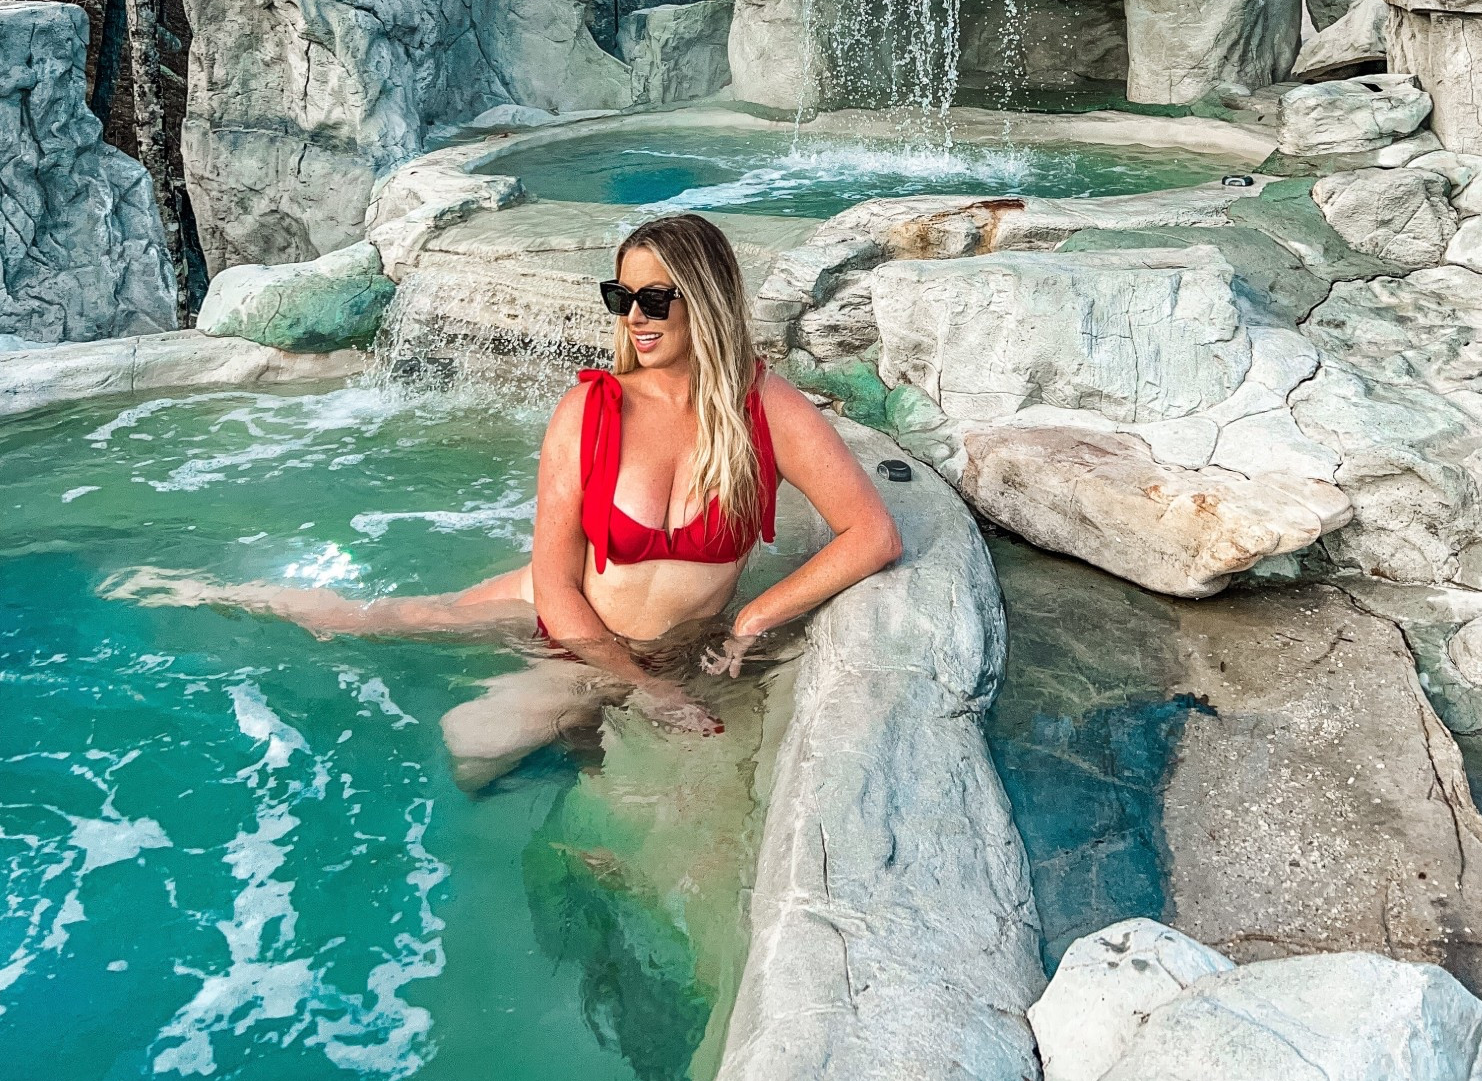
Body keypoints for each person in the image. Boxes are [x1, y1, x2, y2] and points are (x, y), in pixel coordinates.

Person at [110, 213, 903, 786]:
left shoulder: (766, 407)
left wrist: (753, 619)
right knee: (374, 630)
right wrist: (640, 684)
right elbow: (557, 584)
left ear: (706, 299)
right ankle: (210, 593)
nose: (634, 318)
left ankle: (576, 729)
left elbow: (870, 534)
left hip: (650, 645)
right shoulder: (590, 410)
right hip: (563, 621)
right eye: (620, 296)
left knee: (476, 750)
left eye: (655, 298)